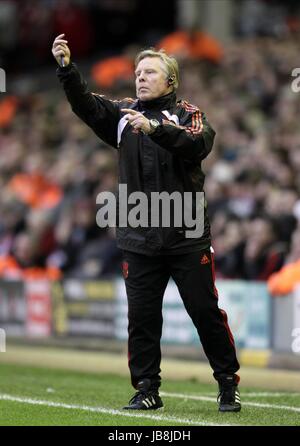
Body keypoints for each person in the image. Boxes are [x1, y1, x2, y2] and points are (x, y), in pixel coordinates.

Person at [52, 34, 241, 412]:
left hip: (186, 234)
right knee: (141, 318)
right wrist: (67, 70)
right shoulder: (122, 115)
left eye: (150, 72)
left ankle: (226, 381)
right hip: (138, 235)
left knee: (204, 311)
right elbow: (86, 106)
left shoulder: (189, 114)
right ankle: (146, 388)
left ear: (170, 81)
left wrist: (155, 128)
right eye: (138, 72)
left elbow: (198, 143)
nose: (140, 77)